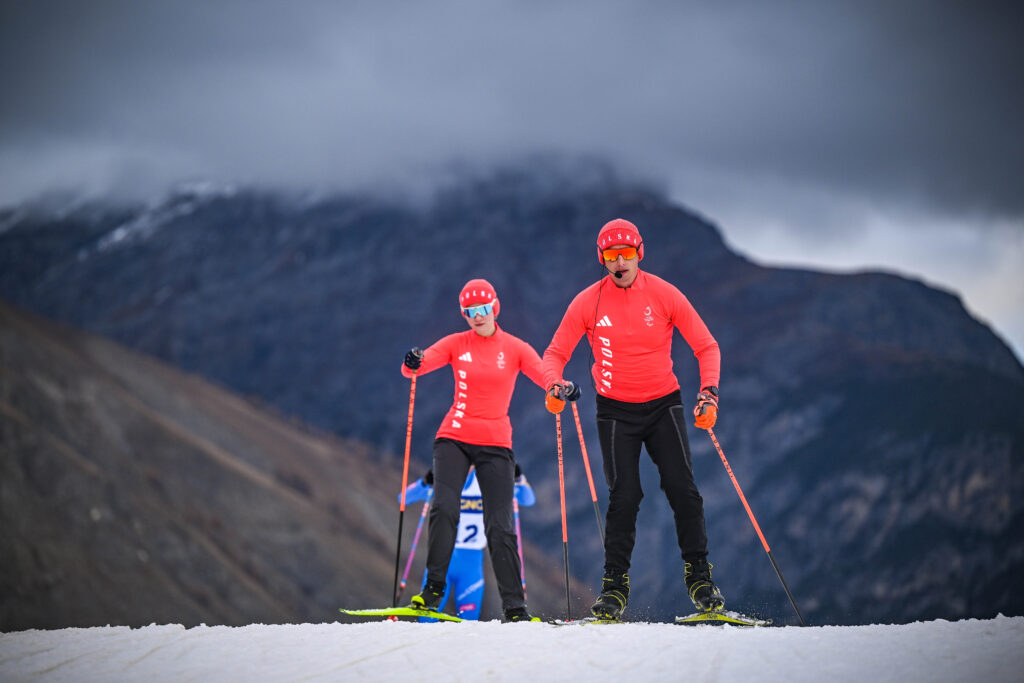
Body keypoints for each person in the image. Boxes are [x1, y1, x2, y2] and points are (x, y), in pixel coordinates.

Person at [541, 218, 724, 620]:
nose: (619, 263)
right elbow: (554, 354)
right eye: (611, 256)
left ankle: (700, 581)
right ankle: (614, 590)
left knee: (683, 490)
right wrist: (554, 385)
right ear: (601, 259)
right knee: (625, 497)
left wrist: (708, 392)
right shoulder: (588, 302)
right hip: (614, 411)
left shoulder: (664, 294)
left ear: (639, 253)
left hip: (664, 405)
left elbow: (707, 346)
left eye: (626, 254)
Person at [402, 278, 546, 622]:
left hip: (496, 442)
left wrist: (562, 388)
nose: (477, 316)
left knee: (499, 524)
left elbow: (545, 375)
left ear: (494, 308)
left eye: (483, 309)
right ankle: (432, 590)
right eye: (470, 311)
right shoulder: (457, 343)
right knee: (444, 507)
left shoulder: (515, 348)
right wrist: (413, 361)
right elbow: (418, 366)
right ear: (464, 314)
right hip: (454, 435)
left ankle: (515, 607)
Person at [401, 465, 536, 620]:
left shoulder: (488, 479)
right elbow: (403, 498)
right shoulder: (447, 476)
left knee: (469, 623)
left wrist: (518, 479)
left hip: (471, 564)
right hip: (442, 561)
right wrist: (425, 482)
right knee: (426, 619)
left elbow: (528, 499)